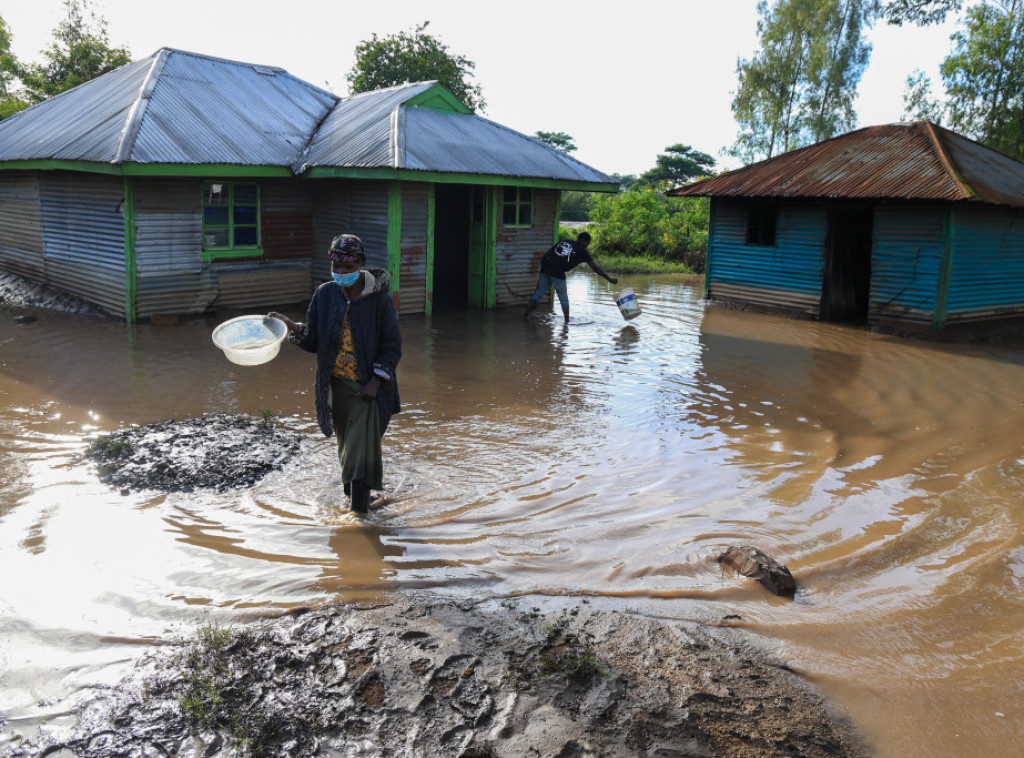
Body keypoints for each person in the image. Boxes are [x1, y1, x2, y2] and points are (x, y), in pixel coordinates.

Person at [269, 234, 401, 514]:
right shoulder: (325, 294)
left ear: (361, 264)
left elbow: (392, 346)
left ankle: (359, 515)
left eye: (347, 266)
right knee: (347, 448)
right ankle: (359, 501)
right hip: (335, 385)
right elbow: (316, 340)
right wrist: (291, 326)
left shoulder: (379, 301)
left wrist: (375, 383)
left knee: (359, 449)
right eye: (336, 265)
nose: (340, 271)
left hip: (367, 388)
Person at [522, 231, 618, 322]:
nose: (587, 246)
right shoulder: (582, 251)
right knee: (564, 299)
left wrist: (543, 270)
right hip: (558, 272)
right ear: (584, 241)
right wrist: (609, 279)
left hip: (546, 267)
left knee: (538, 294)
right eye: (587, 243)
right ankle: (566, 324)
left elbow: (546, 255)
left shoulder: (564, 241)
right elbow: (596, 268)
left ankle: (525, 316)